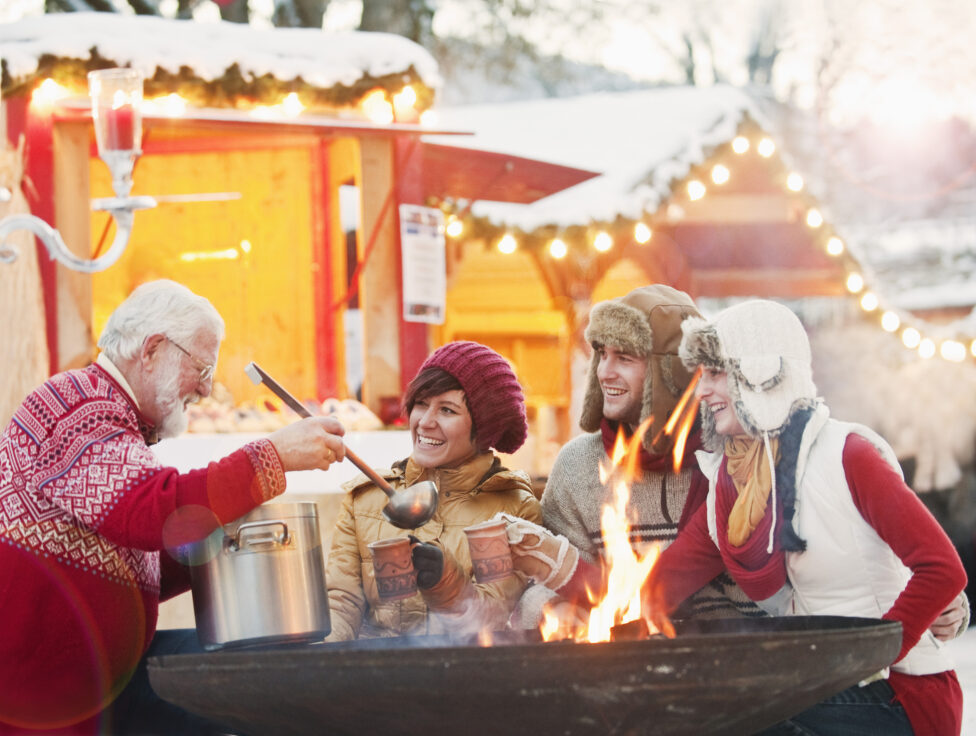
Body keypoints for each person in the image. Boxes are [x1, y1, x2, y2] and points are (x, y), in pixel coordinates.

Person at [0, 280, 347, 736]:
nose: (209, 388)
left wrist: (227, 549)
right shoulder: (75, 407)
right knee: (263, 697)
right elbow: (150, 511)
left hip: (104, 677)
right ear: (152, 349)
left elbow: (139, 547)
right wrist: (271, 456)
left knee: (264, 682)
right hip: (51, 698)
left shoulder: (112, 416)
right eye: (202, 366)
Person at [642, 299, 968, 736]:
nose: (702, 391)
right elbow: (654, 589)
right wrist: (556, 574)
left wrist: (869, 657)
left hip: (900, 691)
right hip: (819, 685)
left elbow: (942, 570)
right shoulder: (729, 490)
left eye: (716, 373)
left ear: (759, 373)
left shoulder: (848, 455)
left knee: (742, 717)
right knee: (704, 708)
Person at [509, 284, 762, 627]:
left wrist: (558, 564)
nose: (604, 371)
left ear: (672, 374)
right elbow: (534, 593)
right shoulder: (577, 466)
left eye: (625, 358)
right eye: (601, 353)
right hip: (621, 665)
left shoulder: (734, 461)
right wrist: (553, 610)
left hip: (733, 662)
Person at [325, 341, 541, 640]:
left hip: (466, 678)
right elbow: (340, 602)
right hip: (376, 676)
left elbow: (492, 617)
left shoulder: (514, 509)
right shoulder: (365, 499)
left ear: (484, 428)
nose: (425, 422)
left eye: (447, 410)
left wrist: (446, 582)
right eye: (421, 404)